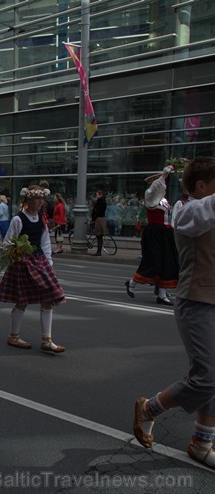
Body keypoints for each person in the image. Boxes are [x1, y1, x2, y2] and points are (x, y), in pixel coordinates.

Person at [133, 157, 215, 468]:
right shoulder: (187, 210)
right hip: (196, 300)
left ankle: (202, 441)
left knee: (213, 376)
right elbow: (204, 214)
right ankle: (149, 409)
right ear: (201, 187)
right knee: (206, 377)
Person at [0, 185, 66, 353]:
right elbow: (7, 242)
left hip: (39, 261)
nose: (41, 201)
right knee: (22, 301)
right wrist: (17, 251)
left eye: (42, 199)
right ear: (28, 199)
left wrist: (49, 264)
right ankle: (13, 336)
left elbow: (45, 243)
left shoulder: (42, 219)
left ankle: (47, 339)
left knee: (48, 297)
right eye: (37, 198)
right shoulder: (18, 219)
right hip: (23, 263)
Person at [124, 168, 180, 305]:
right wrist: (164, 175)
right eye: (161, 185)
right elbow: (154, 188)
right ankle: (132, 283)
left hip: (166, 233)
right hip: (154, 232)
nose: (163, 187)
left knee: (167, 263)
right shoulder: (151, 199)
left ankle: (162, 295)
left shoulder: (164, 200)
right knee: (153, 261)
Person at [90, 189, 107, 256]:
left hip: (98, 219)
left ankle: (99, 251)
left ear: (101, 195)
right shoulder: (102, 202)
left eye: (97, 195)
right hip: (99, 218)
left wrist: (93, 218)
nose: (96, 196)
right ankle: (99, 251)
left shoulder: (100, 202)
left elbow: (97, 211)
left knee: (99, 236)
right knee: (99, 236)